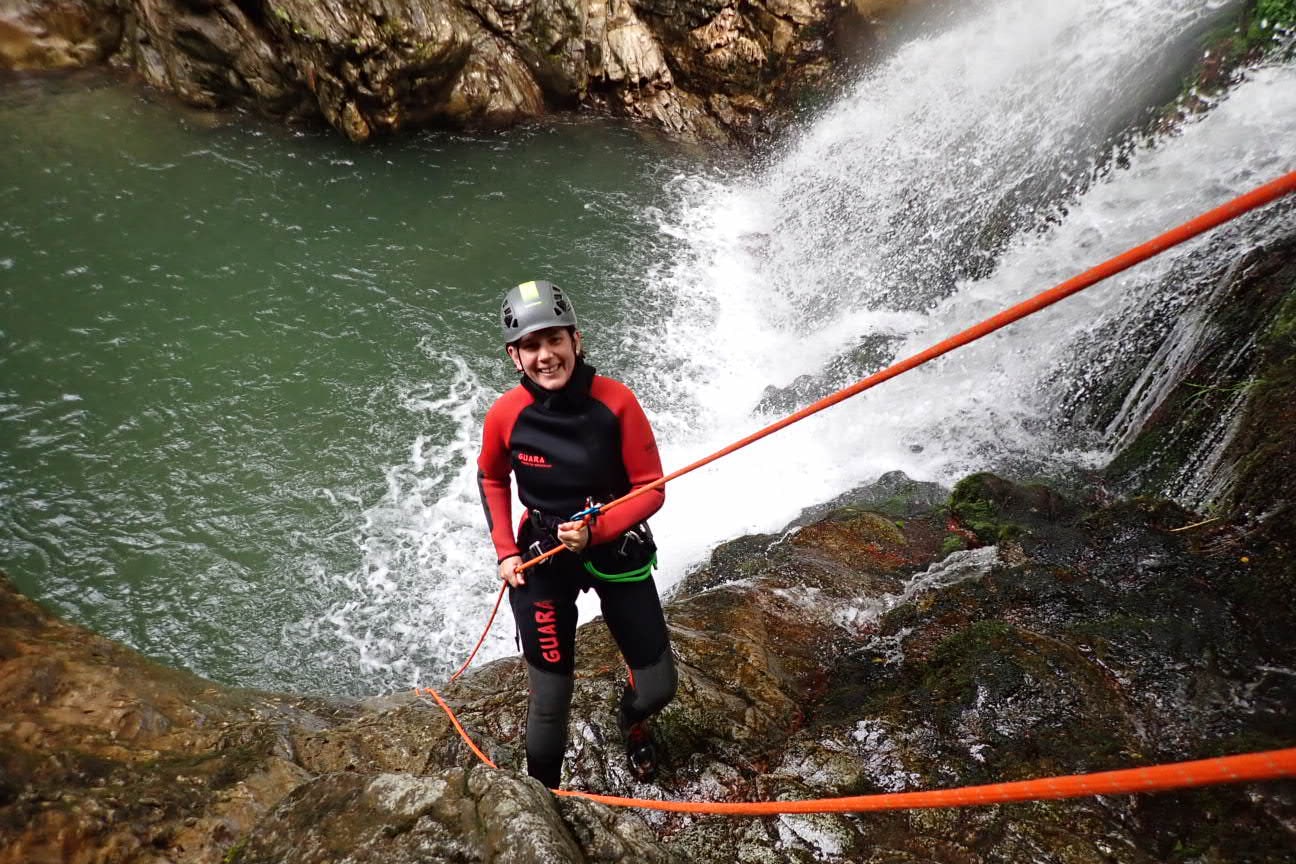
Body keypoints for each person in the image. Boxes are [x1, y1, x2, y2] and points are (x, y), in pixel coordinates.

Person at [477, 279, 678, 789]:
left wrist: (598, 530)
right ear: (514, 356)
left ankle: (632, 720)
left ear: (576, 340)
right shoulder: (506, 415)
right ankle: (542, 799)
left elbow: (651, 488)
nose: (546, 356)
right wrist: (505, 552)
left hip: (615, 546)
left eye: (555, 340)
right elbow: (492, 478)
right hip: (543, 555)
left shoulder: (616, 402)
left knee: (658, 686)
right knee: (549, 701)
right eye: (531, 346)